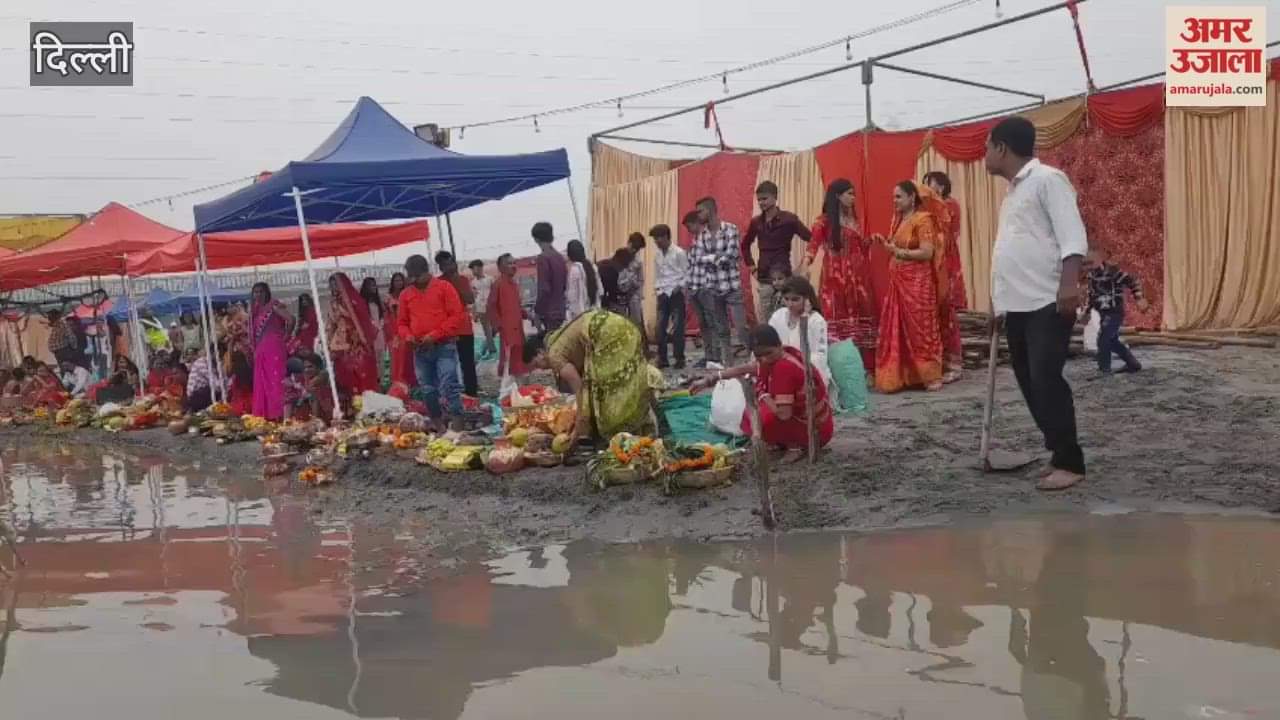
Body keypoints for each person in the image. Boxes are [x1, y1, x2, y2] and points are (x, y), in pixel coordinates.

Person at [986, 115, 1088, 491]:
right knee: (1030, 382)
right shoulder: (1012, 192)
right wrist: (997, 305)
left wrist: (1068, 286)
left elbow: (1072, 235)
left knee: (1046, 381)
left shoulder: (1047, 180)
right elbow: (1008, 252)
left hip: (1046, 299)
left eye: (986, 147)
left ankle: (1071, 461)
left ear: (1001, 148)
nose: (984, 155)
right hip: (1016, 305)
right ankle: (1056, 451)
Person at [690, 324, 833, 462]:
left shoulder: (784, 368)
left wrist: (763, 395)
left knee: (760, 420)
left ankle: (795, 446)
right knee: (749, 414)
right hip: (813, 422)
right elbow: (744, 369)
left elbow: (784, 414)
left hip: (815, 431)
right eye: (759, 356)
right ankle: (781, 441)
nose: (764, 359)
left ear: (779, 345)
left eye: (768, 353)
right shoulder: (781, 355)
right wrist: (710, 379)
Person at [523, 308, 653, 443]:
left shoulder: (554, 356)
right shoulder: (556, 341)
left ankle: (618, 432)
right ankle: (639, 424)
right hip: (624, 327)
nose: (541, 369)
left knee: (608, 391)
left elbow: (579, 389)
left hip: (610, 335)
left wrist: (577, 429)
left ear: (539, 352)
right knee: (630, 379)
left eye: (537, 364)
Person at [872, 180, 946, 393]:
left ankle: (930, 376)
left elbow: (927, 252)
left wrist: (897, 253)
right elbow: (896, 245)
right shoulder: (898, 220)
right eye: (893, 197)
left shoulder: (923, 220)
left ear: (912, 197)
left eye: (898, 197)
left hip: (918, 284)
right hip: (899, 281)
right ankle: (904, 376)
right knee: (898, 326)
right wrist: (884, 243)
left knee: (921, 328)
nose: (894, 201)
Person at [804, 178, 877, 372]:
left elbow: (859, 247)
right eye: (849, 194)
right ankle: (840, 369)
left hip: (859, 279)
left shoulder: (854, 220)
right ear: (838, 196)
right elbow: (812, 247)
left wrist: (871, 241)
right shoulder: (824, 221)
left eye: (854, 194)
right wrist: (805, 266)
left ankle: (865, 369)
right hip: (835, 280)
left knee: (862, 322)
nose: (853, 198)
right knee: (837, 322)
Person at [399, 254, 468, 424]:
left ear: (426, 272)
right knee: (427, 390)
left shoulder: (444, 288)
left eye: (417, 277)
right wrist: (408, 336)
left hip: (444, 345)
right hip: (420, 349)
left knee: (449, 384)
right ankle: (438, 425)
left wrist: (435, 335)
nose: (414, 281)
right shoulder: (406, 295)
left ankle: (458, 423)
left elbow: (456, 317)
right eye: (411, 277)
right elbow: (401, 323)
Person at [688, 197, 748, 363]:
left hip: (732, 286)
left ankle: (753, 360)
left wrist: (711, 258)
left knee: (741, 328)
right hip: (713, 287)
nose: (698, 215)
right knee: (722, 330)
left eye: (700, 211)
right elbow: (699, 259)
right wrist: (717, 257)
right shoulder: (702, 235)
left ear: (711, 210)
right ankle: (727, 366)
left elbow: (732, 256)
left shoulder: (730, 229)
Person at [742, 180, 812, 321]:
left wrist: (804, 263)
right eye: (759, 200)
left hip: (784, 276)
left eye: (765, 198)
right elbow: (745, 245)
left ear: (775, 197)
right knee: (766, 318)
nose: (762, 202)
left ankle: (788, 343)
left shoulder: (789, 219)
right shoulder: (756, 222)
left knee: (788, 316)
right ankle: (769, 343)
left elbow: (811, 238)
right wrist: (752, 268)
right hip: (764, 276)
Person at [924, 170, 967, 382]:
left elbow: (946, 234)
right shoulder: (929, 209)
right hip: (932, 264)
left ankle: (954, 365)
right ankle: (937, 363)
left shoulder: (949, 206)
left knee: (948, 316)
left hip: (947, 265)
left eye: (929, 185)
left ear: (940, 187)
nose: (926, 189)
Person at [1085, 247, 1148, 374]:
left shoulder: (1113, 271)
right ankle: (1133, 364)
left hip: (1114, 312)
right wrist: (1087, 312)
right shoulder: (1091, 275)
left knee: (1103, 339)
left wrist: (1139, 298)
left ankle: (1104, 370)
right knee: (1112, 341)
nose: (1089, 265)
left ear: (1099, 258)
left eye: (1091, 262)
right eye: (1086, 262)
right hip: (1103, 312)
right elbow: (1092, 296)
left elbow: (1133, 281)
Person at [768, 276, 831, 388]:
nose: (790, 304)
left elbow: (820, 357)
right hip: (781, 370)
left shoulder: (816, 321)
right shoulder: (778, 316)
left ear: (806, 298)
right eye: (786, 299)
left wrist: (804, 318)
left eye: (795, 299)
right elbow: (769, 343)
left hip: (809, 375)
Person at [326, 272, 380, 397]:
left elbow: (364, 319)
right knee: (344, 375)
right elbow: (330, 324)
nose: (334, 288)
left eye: (336, 284)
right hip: (340, 343)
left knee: (362, 372)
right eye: (332, 285)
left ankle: (367, 403)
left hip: (357, 340)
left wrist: (363, 339)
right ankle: (350, 406)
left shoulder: (355, 300)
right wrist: (328, 343)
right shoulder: (332, 303)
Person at [437, 251, 479, 396]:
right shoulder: (438, 283)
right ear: (441, 267)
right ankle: (450, 393)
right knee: (448, 365)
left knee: (467, 363)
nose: (450, 267)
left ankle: (472, 393)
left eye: (451, 263)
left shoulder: (463, 280)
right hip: (447, 330)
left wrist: (456, 283)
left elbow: (470, 300)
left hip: (464, 328)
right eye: (445, 265)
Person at [250, 281, 292, 420]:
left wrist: (286, 336)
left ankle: (279, 414)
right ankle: (266, 414)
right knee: (262, 380)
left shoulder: (273, 306)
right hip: (261, 349)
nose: (258, 294)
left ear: (267, 292)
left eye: (261, 291)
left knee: (275, 379)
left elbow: (291, 319)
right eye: (255, 292)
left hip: (274, 348)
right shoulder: (255, 311)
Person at [649, 224, 689, 369]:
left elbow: (687, 273)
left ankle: (679, 358)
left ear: (666, 237)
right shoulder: (657, 255)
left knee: (678, 327)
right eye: (654, 239)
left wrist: (679, 287)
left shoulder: (679, 253)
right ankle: (663, 358)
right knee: (660, 328)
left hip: (676, 293)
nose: (656, 241)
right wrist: (658, 289)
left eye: (658, 238)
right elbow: (658, 275)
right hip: (662, 293)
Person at [486, 253, 527, 379]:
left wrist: (525, 314)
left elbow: (517, 305)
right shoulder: (498, 284)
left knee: (519, 353)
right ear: (500, 267)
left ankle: (517, 384)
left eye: (514, 263)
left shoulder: (514, 284)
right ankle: (507, 386)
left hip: (517, 326)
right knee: (508, 356)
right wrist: (498, 325)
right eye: (509, 263)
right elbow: (491, 306)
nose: (513, 266)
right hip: (507, 328)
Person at [531, 221, 568, 331]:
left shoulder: (543, 258)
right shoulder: (560, 257)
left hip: (549, 313)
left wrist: (537, 312)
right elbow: (564, 285)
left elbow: (544, 289)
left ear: (536, 239)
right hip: (561, 310)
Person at [384, 272, 416, 395]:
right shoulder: (388, 298)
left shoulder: (408, 295)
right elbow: (386, 316)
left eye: (400, 280)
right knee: (396, 359)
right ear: (392, 283)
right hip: (393, 332)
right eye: (396, 281)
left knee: (408, 357)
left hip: (407, 330)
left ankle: (410, 384)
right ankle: (398, 384)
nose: (398, 283)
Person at [468, 260, 497, 357]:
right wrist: (474, 313)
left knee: (495, 329)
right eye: (472, 269)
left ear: (480, 268)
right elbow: (473, 299)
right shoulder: (473, 283)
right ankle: (492, 350)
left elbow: (496, 294)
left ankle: (485, 346)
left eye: (474, 269)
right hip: (481, 309)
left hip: (491, 308)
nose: (473, 271)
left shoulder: (490, 279)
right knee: (487, 331)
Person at [565, 240, 599, 321]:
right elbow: (600, 290)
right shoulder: (593, 266)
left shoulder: (575, 269)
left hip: (580, 316)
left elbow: (572, 296)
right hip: (594, 312)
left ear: (569, 255)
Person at [359, 276, 388, 361]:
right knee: (372, 358)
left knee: (381, 358)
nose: (374, 287)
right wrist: (375, 326)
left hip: (379, 332)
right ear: (366, 288)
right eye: (371, 285)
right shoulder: (362, 302)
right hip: (370, 333)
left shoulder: (377, 301)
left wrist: (380, 326)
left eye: (374, 285)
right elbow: (365, 317)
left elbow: (382, 315)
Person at [613, 247, 642, 328]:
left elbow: (640, 281)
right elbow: (619, 285)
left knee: (636, 320)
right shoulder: (617, 268)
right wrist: (628, 280)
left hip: (632, 296)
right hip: (620, 299)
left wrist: (634, 283)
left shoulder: (638, 263)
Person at [626, 232, 647, 333]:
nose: (635, 250)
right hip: (619, 299)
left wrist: (639, 296)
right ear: (629, 243)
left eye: (637, 249)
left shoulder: (638, 261)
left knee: (636, 324)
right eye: (634, 247)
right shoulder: (618, 256)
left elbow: (641, 280)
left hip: (634, 297)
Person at [226, 350, 254, 416]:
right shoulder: (250, 372)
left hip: (239, 408)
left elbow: (231, 393)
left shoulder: (235, 376)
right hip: (252, 405)